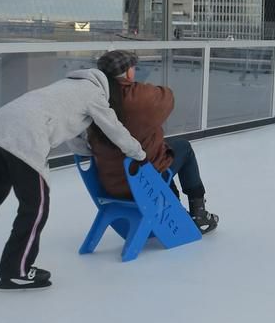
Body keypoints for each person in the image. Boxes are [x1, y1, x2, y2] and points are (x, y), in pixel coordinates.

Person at [0, 65, 146, 290]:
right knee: (36, 207)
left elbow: (71, 132)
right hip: (26, 135)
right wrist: (139, 154)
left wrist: (87, 152)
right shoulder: (95, 93)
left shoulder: (68, 86)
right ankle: (16, 271)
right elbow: (114, 129)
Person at [89, 50, 218, 234]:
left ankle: (174, 205)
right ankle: (199, 214)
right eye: (133, 67)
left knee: (163, 150)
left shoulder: (95, 97)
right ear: (127, 72)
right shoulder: (137, 97)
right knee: (183, 148)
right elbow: (167, 97)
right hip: (138, 180)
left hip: (111, 181)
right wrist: (139, 86)